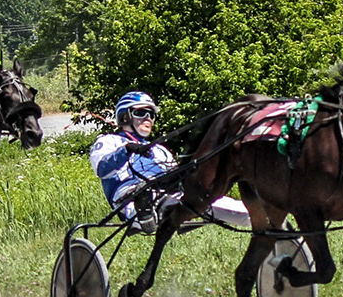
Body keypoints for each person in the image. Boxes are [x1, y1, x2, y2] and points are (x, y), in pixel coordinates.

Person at [90, 92, 248, 232]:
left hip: (168, 193)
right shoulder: (109, 140)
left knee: (243, 212)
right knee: (145, 197)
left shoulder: (159, 149)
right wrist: (126, 150)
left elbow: (174, 175)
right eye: (141, 112)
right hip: (129, 197)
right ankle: (143, 211)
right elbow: (101, 168)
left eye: (151, 114)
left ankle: (267, 218)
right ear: (125, 117)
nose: (148, 118)